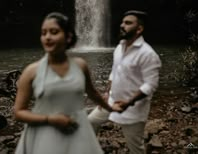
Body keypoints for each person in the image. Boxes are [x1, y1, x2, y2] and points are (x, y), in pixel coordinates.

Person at [13, 12, 122, 154]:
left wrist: (110, 108)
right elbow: (18, 112)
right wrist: (50, 119)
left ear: (68, 36)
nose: (47, 37)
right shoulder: (31, 71)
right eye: (43, 33)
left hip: (78, 130)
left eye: (54, 32)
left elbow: (93, 93)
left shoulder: (80, 65)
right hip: (44, 133)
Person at [88, 10, 162, 154]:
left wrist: (128, 102)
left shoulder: (148, 54)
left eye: (128, 23)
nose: (122, 25)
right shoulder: (119, 47)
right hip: (111, 101)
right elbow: (114, 72)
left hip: (133, 109)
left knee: (135, 148)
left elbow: (151, 85)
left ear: (139, 29)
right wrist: (106, 93)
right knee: (90, 122)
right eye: (122, 22)